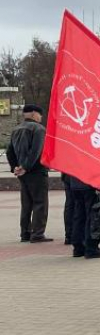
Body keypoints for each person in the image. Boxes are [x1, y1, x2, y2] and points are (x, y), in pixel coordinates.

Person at [6, 104, 52, 242]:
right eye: (40, 115)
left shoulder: (16, 129)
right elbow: (37, 151)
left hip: (23, 173)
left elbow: (9, 151)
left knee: (26, 203)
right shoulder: (38, 129)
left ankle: (25, 233)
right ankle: (37, 234)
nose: (41, 117)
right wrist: (26, 166)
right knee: (40, 202)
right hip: (36, 171)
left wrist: (15, 167)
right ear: (33, 114)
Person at [67, 175, 100, 259]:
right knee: (92, 215)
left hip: (75, 183)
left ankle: (78, 247)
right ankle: (91, 248)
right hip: (89, 183)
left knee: (79, 215)